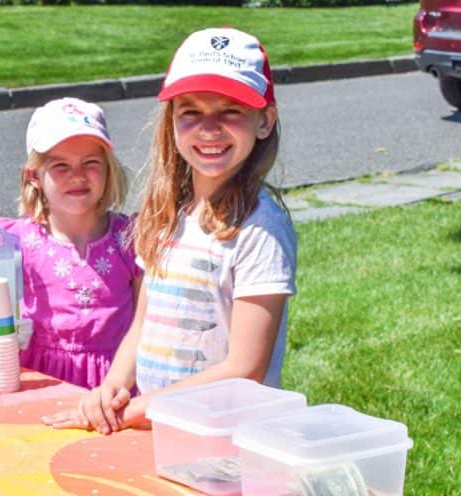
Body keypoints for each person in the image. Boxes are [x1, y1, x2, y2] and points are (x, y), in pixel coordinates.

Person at [45, 27, 297, 433]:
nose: (209, 128)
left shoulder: (260, 227)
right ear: (172, 121)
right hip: (165, 430)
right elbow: (143, 324)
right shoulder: (169, 215)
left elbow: (245, 368)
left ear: (265, 120)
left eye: (230, 110)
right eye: (191, 112)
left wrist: (134, 412)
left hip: (229, 439)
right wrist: (110, 390)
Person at [0, 97, 142, 389]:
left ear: (108, 169)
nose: (77, 176)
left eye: (90, 162)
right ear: (34, 176)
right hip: (40, 383)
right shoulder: (18, 243)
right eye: (61, 165)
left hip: (115, 384)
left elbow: (145, 322)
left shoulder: (130, 240)